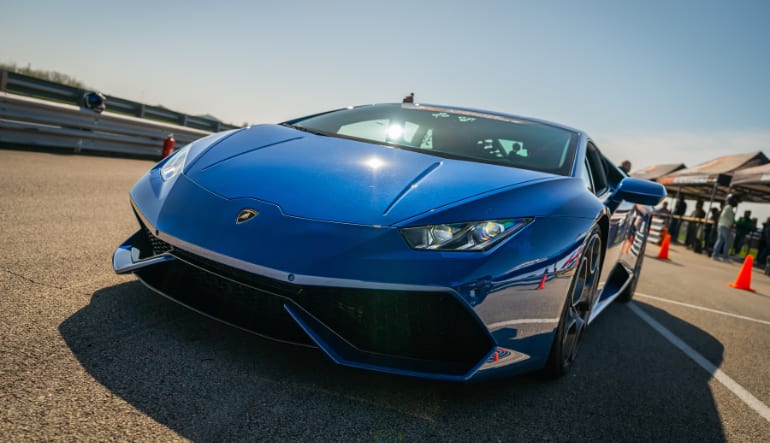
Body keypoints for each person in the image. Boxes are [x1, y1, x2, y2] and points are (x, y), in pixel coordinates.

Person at [712, 195, 738, 261]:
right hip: (725, 226)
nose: (736, 202)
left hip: (722, 225)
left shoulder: (727, 207)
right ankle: (725, 257)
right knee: (727, 241)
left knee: (720, 240)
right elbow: (727, 217)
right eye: (735, 200)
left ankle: (715, 255)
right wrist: (730, 224)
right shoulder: (729, 207)